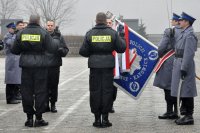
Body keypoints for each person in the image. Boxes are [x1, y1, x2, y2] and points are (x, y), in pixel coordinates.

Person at [79, 12, 126, 128]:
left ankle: (96, 119)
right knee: (107, 91)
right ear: (106, 21)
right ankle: (105, 119)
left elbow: (83, 51)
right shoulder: (112, 33)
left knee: (95, 91)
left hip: (94, 67)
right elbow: (121, 48)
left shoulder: (89, 33)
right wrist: (123, 37)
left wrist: (93, 53)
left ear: (96, 21)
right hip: (108, 67)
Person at [11, 14, 58, 127]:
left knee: (26, 92)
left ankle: (29, 118)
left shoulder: (21, 33)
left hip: (26, 66)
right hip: (40, 66)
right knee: (40, 92)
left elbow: (14, 50)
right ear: (38, 21)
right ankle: (39, 118)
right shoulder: (43, 32)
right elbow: (53, 48)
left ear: (29, 21)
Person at [171, 12, 198, 125]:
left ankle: (189, 115)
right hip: (179, 62)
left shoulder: (190, 35)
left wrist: (184, 68)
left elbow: (188, 53)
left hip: (184, 63)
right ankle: (185, 114)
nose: (179, 22)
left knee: (187, 90)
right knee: (182, 90)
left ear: (187, 22)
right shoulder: (184, 32)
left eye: (181, 20)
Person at [153, 13, 181, 119]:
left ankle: (169, 111)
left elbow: (161, 47)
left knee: (167, 87)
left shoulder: (169, 31)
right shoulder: (185, 31)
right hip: (179, 60)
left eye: (172, 20)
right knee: (177, 86)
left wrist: (160, 55)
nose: (171, 22)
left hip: (169, 60)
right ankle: (176, 110)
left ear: (176, 21)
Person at [45, 20, 69, 113]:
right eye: (48, 25)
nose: (50, 27)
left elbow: (65, 49)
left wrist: (61, 51)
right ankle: (45, 104)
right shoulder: (42, 35)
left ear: (54, 26)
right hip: (44, 65)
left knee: (54, 86)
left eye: (51, 25)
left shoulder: (59, 36)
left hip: (55, 65)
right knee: (44, 87)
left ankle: (53, 104)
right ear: (46, 26)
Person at [3, 22, 21, 104]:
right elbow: (12, 43)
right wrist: (16, 36)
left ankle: (14, 97)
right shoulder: (7, 36)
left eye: (14, 29)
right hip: (11, 60)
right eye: (13, 29)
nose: (14, 30)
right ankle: (9, 99)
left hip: (15, 60)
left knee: (15, 80)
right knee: (10, 81)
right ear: (9, 29)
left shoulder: (13, 35)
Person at [106, 17, 117, 113]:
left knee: (114, 87)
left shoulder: (115, 34)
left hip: (114, 65)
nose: (108, 24)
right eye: (107, 22)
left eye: (110, 22)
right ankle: (106, 105)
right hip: (104, 66)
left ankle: (111, 104)